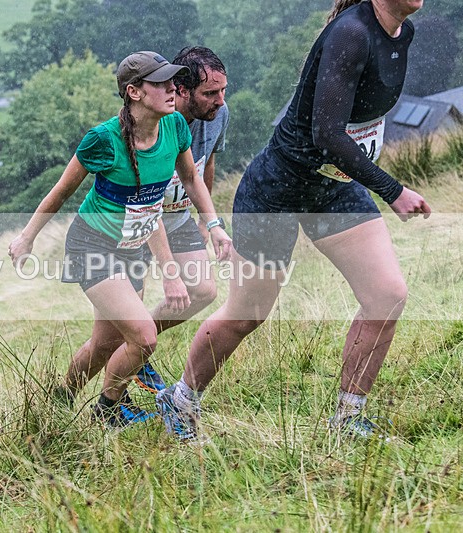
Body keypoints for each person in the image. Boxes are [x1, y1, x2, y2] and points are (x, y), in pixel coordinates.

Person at [156, 0, 431, 442]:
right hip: (278, 189)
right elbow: (326, 133)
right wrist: (393, 190)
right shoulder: (351, 34)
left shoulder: (403, 34)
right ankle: (181, 398)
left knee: (387, 294)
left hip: (334, 187)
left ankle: (348, 419)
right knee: (247, 314)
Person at [8, 51, 231, 429]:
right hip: (92, 246)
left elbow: (183, 185)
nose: (171, 88)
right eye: (160, 83)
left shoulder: (175, 126)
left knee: (105, 346)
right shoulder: (103, 140)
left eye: (172, 81)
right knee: (144, 338)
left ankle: (58, 401)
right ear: (134, 92)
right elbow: (61, 192)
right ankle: (107, 410)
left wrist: (214, 226)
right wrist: (27, 237)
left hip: (133, 245)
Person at [124, 46, 231, 395]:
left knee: (203, 290)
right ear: (182, 89)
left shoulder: (220, 115)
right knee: (120, 325)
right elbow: (143, 197)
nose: (220, 101)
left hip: (177, 217)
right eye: (210, 93)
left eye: (222, 91)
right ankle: (111, 394)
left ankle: (141, 344)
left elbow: (205, 165)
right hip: (135, 223)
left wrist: (207, 221)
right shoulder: (154, 120)